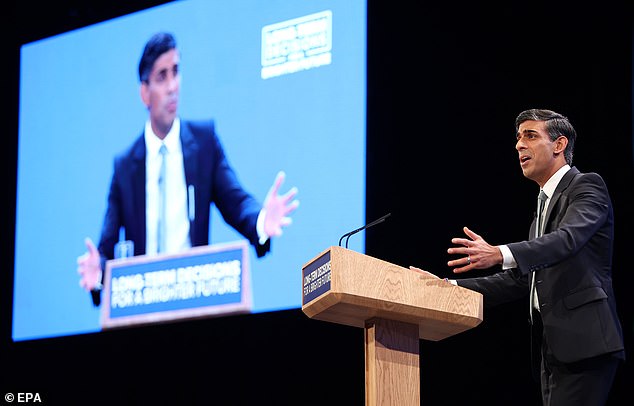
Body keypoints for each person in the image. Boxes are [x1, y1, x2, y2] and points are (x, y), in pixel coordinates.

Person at [414, 109, 625, 405]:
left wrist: (499, 253)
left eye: (530, 135)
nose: (519, 145)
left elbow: (567, 240)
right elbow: (519, 281)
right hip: (551, 350)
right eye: (517, 139)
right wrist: (448, 288)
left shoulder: (586, 186)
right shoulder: (540, 212)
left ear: (559, 144)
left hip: (585, 342)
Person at [77, 32, 299, 306]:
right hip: (143, 308)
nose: (172, 87)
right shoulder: (125, 166)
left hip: (193, 302)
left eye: (176, 72)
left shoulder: (204, 143)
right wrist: (98, 269)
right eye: (161, 77)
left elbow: (236, 201)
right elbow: (106, 245)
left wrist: (261, 220)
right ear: (144, 93)